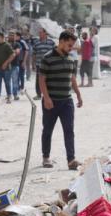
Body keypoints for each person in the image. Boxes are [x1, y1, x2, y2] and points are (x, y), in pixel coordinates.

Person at [39, 31, 83, 170]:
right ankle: (46, 157)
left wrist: (78, 95)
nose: (71, 48)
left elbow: (73, 78)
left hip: (67, 102)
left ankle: (71, 160)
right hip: (51, 101)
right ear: (62, 41)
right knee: (48, 130)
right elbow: (41, 79)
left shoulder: (71, 59)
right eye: (69, 45)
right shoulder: (47, 58)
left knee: (69, 130)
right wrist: (46, 98)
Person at [31, 27, 55, 100]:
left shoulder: (51, 42)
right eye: (39, 33)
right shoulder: (36, 43)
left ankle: (48, 94)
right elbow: (34, 54)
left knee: (49, 80)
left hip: (49, 65)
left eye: (41, 32)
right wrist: (33, 64)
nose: (39, 34)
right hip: (39, 65)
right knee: (38, 80)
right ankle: (38, 95)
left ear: (45, 33)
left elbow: (55, 53)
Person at [0, 32, 16, 104]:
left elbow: (13, 55)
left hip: (6, 69)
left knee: (7, 83)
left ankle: (9, 97)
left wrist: (6, 63)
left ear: (1, 37)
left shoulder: (7, 45)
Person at [10, 31, 26, 98]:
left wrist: (24, 61)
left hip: (17, 63)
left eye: (14, 35)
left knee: (17, 79)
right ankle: (9, 94)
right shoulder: (7, 44)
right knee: (8, 81)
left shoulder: (20, 43)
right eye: (10, 35)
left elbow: (21, 51)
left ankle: (17, 92)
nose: (12, 37)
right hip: (8, 65)